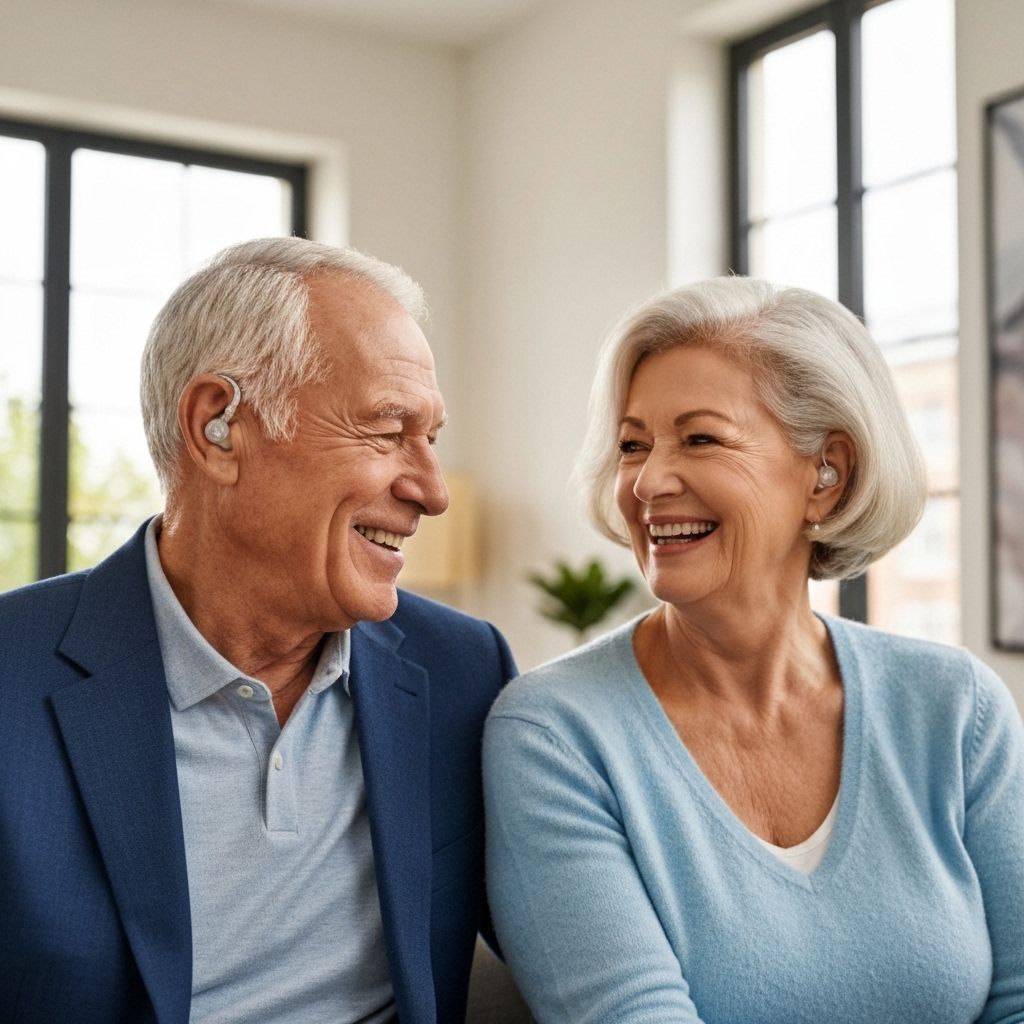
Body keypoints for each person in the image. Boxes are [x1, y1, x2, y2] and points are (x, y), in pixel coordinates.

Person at [0, 237, 516, 1024]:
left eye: (431, 437)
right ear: (218, 426)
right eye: (386, 429)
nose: (431, 489)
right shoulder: (10, 675)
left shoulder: (464, 671)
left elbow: (591, 939)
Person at [483, 277, 1024, 1022]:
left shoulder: (956, 707)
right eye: (633, 445)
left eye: (700, 438)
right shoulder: (554, 734)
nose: (646, 481)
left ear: (826, 477)